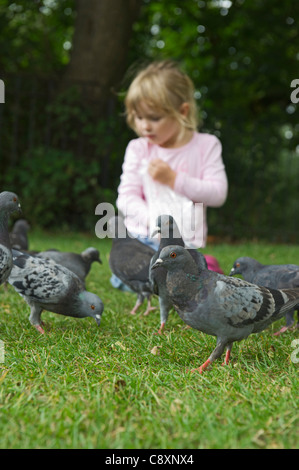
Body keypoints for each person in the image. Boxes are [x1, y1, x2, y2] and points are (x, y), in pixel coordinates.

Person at [112, 60, 228, 289]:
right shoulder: (138, 148)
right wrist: (157, 224)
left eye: (154, 118)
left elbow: (218, 194)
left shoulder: (206, 146)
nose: (145, 126)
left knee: (183, 265)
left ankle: (193, 271)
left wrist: (174, 180)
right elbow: (125, 197)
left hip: (184, 243)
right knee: (133, 272)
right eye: (138, 117)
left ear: (182, 111)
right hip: (143, 240)